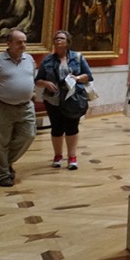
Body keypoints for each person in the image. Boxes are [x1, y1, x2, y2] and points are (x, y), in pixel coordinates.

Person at [0, 29, 37, 187]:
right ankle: (1, 175)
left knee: (29, 135)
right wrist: (0, 97)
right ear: (9, 43)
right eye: (19, 42)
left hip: (26, 107)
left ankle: (3, 163)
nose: (23, 45)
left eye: (25, 42)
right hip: (1, 107)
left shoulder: (29, 59)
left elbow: (31, 78)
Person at [35, 29, 93, 170]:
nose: (58, 40)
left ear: (68, 42)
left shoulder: (77, 57)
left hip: (72, 98)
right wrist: (46, 83)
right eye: (56, 38)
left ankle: (72, 157)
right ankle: (58, 156)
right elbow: (37, 80)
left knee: (72, 127)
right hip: (53, 99)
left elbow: (88, 76)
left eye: (61, 38)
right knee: (57, 127)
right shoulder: (47, 60)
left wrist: (77, 78)